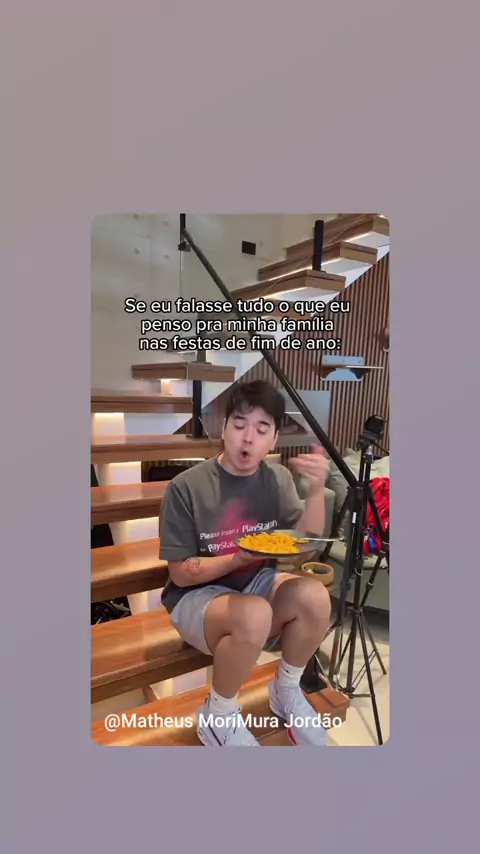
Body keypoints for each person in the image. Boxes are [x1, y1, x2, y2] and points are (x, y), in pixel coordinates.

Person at [159, 379, 332, 747]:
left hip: (255, 586)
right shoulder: (186, 487)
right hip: (196, 597)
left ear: (274, 439)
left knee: (315, 597)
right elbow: (180, 574)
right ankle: (218, 716)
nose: (248, 438)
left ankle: (286, 690)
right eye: (239, 425)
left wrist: (317, 490)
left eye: (262, 429)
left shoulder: (278, 479)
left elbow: (306, 545)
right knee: (254, 613)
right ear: (224, 428)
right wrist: (236, 559)